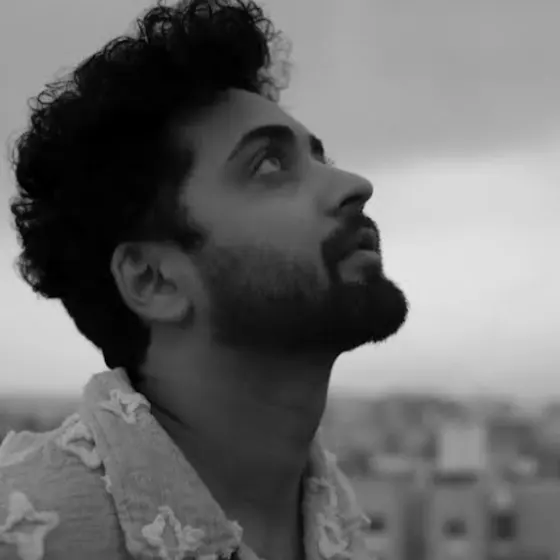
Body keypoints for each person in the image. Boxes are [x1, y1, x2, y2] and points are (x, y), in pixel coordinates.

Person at [0, 0, 409, 558]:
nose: (353, 184)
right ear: (154, 281)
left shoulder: (342, 526)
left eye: (320, 158)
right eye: (268, 165)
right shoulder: (29, 531)